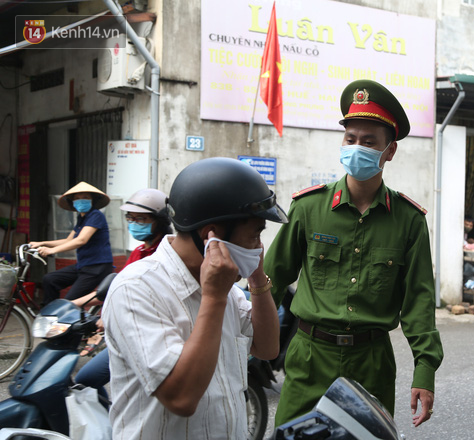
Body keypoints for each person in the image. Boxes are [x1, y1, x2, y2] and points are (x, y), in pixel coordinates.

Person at [264, 79, 443, 428]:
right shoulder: (308, 208)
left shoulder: (408, 221)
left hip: (371, 361)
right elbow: (271, 279)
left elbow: (419, 300)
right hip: (310, 356)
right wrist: (243, 343)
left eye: (369, 141)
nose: (357, 147)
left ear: (389, 151)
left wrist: (425, 369)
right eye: (350, 139)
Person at [102, 158, 287, 439]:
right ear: (209, 235)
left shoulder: (230, 291)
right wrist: (213, 298)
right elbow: (181, 397)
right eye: (255, 234)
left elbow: (267, 347)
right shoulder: (135, 289)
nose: (259, 245)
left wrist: (257, 277)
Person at [73, 188, 172, 402]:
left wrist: (105, 317)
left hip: (150, 336)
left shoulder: (167, 253)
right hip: (126, 333)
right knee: (87, 381)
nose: (134, 223)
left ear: (160, 221)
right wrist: (74, 304)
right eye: (131, 218)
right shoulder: (138, 252)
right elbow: (117, 287)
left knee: (89, 380)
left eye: (141, 219)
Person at [29, 182, 113, 305]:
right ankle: (49, 316)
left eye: (85, 197)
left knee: (69, 303)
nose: (81, 201)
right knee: (49, 279)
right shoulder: (82, 218)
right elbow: (69, 240)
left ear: (92, 200)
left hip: (97, 267)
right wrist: (41, 243)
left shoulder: (96, 215)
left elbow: (81, 240)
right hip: (84, 265)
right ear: (72, 202)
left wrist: (52, 251)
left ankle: (61, 318)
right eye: (77, 198)